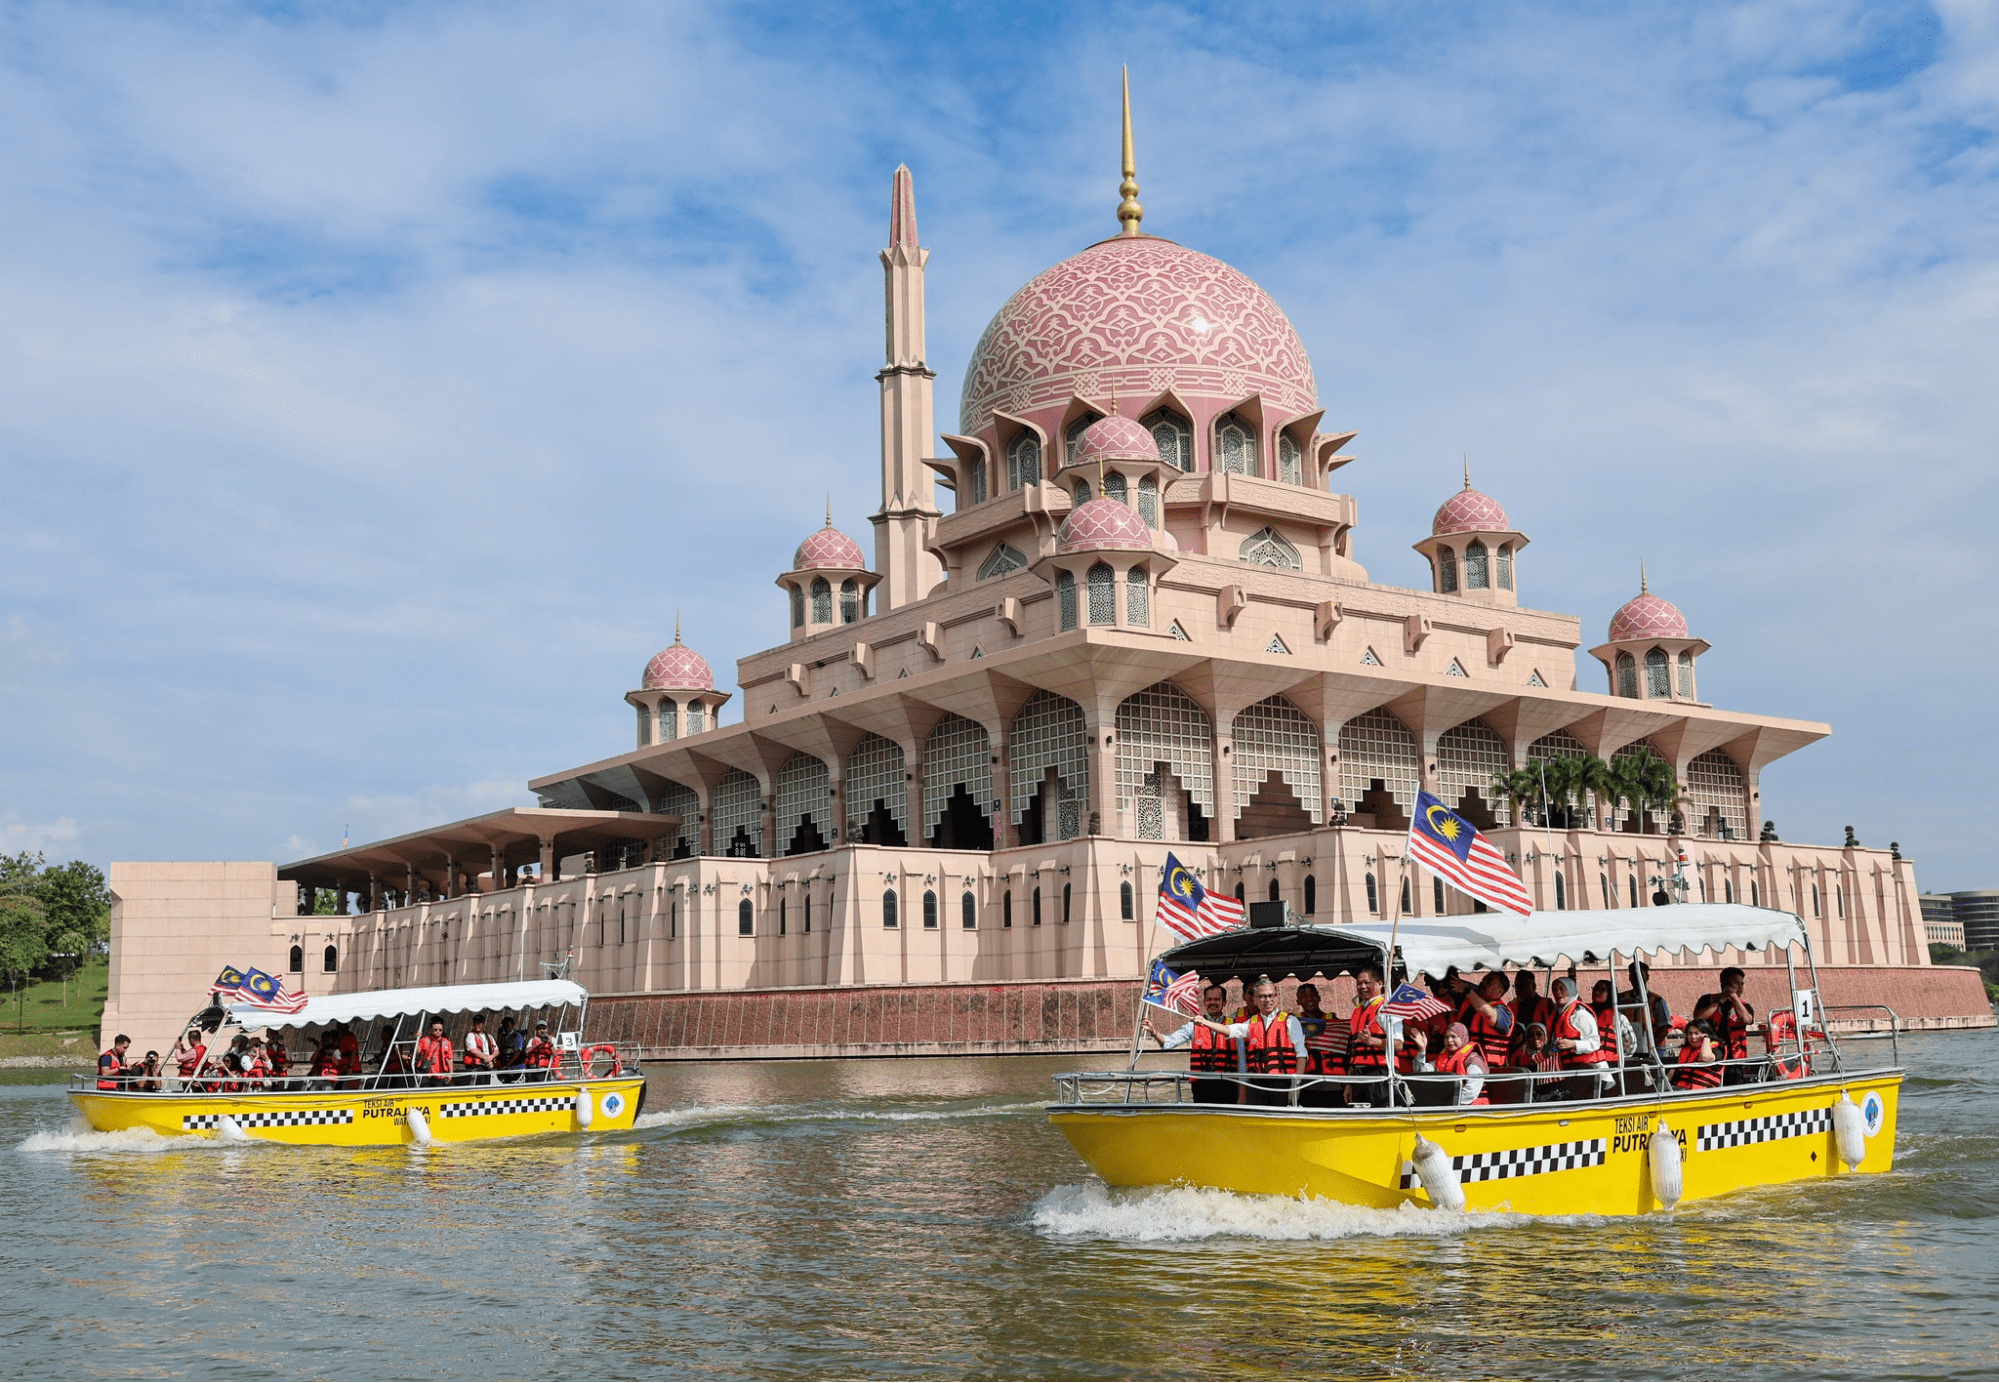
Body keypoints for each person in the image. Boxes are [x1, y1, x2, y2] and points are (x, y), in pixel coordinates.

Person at [1187, 978, 1307, 1107]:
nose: (1267, 1000)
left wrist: (1295, 1085)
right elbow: (1229, 1030)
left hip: (1283, 1084)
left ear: (1277, 997)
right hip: (1256, 1085)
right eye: (1262, 996)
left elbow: (1301, 1054)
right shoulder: (1251, 1023)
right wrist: (1205, 1022)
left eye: (1270, 995)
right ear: (1255, 1000)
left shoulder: (1290, 1021)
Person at [1145, 983, 1245, 1105]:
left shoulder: (1234, 1026)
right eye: (1209, 999)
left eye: (1216, 999)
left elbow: (1243, 1060)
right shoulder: (1192, 1026)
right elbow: (1168, 1043)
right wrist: (1153, 1031)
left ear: (1224, 1002)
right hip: (1201, 1086)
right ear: (1204, 1002)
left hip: (1227, 1085)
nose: (1212, 1002)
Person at [1692, 967, 1757, 1085]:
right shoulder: (1707, 999)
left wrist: (1734, 998)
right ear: (1724, 983)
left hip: (1737, 1061)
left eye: (1742, 983)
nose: (1740, 987)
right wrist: (1722, 999)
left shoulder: (1744, 1006)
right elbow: (1698, 1017)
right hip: (1713, 1057)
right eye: (1736, 983)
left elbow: (1747, 1019)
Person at [1549, 976, 1610, 1100]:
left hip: (1592, 1074)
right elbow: (1559, 1046)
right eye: (1555, 990)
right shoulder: (1557, 1016)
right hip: (1572, 1072)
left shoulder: (1580, 1014)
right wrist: (1549, 1051)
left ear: (1570, 990)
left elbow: (1595, 1043)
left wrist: (1573, 1044)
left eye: (1562, 989)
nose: (1558, 993)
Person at [1455, 972, 1515, 1092]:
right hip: (1462, 1067)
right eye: (1483, 979)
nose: (1483, 982)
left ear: (1500, 991)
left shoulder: (1504, 1012)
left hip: (1488, 1074)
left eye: (1489, 981)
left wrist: (1467, 991)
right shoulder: (1469, 1006)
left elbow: (1490, 1015)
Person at [1345, 966, 1392, 1107]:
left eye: (1367, 982)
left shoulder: (1386, 1008)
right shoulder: (1357, 1012)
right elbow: (1353, 1051)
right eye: (1359, 983)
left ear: (1379, 983)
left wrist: (1373, 1041)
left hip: (1379, 1074)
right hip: (1359, 1077)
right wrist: (1349, 1083)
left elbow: (1398, 1044)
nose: (1362, 986)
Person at [1413, 1022, 1488, 1106]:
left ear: (1462, 1037)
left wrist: (1443, 1102)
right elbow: (1421, 1072)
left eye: (1453, 1036)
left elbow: (1470, 1093)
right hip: (1448, 1107)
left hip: (1472, 1110)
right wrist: (1421, 1050)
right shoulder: (1443, 1058)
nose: (1449, 1040)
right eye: (1446, 1037)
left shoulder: (1473, 1060)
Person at [1295, 983, 1345, 1108]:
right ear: (1298, 1001)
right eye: (1304, 996)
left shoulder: (1334, 1021)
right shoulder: (1292, 1023)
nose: (1309, 999)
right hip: (1307, 1084)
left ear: (1319, 997)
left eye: (1312, 995)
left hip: (1334, 1084)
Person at [1618, 960, 1673, 1052]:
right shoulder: (1621, 999)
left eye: (1640, 975)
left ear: (1647, 977)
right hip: (1629, 1048)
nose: (1637, 979)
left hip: (1655, 1049)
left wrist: (1651, 1047)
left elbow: (1664, 1028)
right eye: (1634, 976)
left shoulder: (1657, 1000)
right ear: (1630, 978)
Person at [1673, 1019, 1724, 1090]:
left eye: (1696, 1033)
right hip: (1682, 1090)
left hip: (1703, 1092)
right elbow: (1672, 1073)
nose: (1693, 1037)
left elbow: (1705, 1056)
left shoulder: (1716, 1050)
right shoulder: (1686, 1051)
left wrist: (1706, 1038)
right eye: (1690, 1033)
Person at [415, 1020, 456, 1087]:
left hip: (440, 1075)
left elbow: (450, 1059)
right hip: (426, 1074)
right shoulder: (424, 1040)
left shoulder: (447, 1042)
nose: (438, 1032)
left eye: (440, 1030)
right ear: (431, 1030)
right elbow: (417, 1051)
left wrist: (451, 1073)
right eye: (435, 1030)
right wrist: (416, 1039)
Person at [461, 1014, 497, 1084]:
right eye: (475, 1023)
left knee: (487, 1085)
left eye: (479, 1023)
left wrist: (491, 1057)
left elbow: (496, 1050)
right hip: (476, 1067)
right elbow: (473, 1050)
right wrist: (487, 1058)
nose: (477, 1025)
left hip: (487, 1066)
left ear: (484, 1024)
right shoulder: (470, 1035)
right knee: (479, 1086)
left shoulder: (489, 1036)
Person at [497, 1016, 527, 1082]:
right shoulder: (502, 1037)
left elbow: (517, 1053)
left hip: (516, 1067)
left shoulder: (517, 1037)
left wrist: (507, 1065)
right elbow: (499, 1050)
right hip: (504, 1067)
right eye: (504, 1025)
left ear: (512, 1025)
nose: (506, 1026)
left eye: (507, 1024)